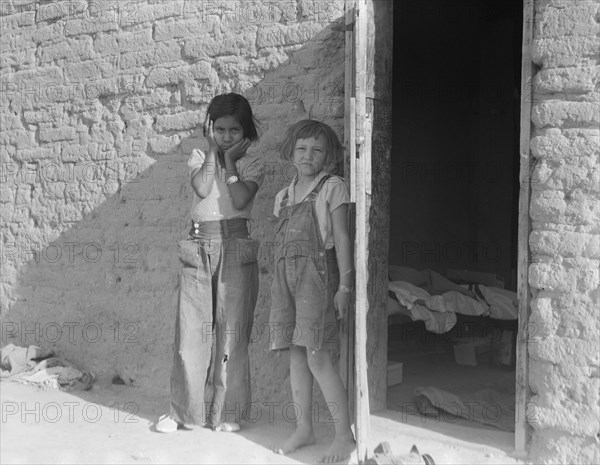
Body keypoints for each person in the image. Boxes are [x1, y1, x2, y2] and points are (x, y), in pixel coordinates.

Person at [155, 93, 264, 433]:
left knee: (232, 335)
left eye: (234, 130)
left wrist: (230, 162)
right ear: (209, 129)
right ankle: (183, 414)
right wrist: (214, 154)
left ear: (246, 131)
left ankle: (227, 414)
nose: (227, 136)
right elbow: (203, 190)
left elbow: (241, 197)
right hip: (198, 247)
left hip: (236, 248)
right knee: (190, 334)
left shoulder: (253, 162)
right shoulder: (200, 156)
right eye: (219, 129)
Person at [269, 119, 356, 462]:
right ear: (291, 152)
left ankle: (343, 435)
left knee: (317, 356)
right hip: (286, 280)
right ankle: (304, 428)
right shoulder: (284, 195)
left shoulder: (333, 187)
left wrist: (345, 286)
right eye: (302, 149)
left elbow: (343, 238)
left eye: (318, 150)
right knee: (296, 352)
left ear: (329, 156)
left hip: (317, 279)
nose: (309, 156)